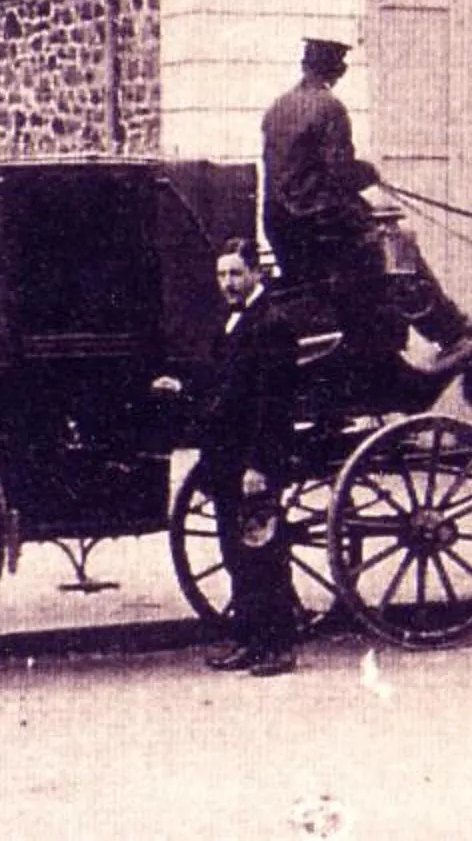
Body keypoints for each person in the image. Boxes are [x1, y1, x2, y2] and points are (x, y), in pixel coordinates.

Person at [258, 36, 472, 410]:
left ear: (306, 64)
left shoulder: (277, 108)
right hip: (321, 226)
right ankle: (448, 329)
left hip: (284, 231)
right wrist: (367, 172)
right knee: (398, 245)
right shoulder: (329, 107)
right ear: (336, 69)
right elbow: (340, 171)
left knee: (385, 236)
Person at [196, 239, 301, 676]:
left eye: (236, 273)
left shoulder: (272, 324)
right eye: (222, 275)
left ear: (256, 273)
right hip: (228, 458)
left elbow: (272, 405)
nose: (228, 283)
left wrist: (259, 465)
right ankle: (249, 640)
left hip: (251, 461)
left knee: (263, 554)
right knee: (238, 554)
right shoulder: (234, 321)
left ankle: (278, 647)